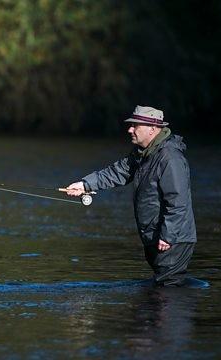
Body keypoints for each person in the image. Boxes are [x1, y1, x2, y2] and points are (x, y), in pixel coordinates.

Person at [65, 105, 197, 287]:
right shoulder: (143, 154)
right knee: (162, 293)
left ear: (153, 128)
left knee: (169, 293)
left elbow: (178, 202)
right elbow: (117, 172)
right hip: (155, 237)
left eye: (135, 125)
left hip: (172, 241)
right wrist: (85, 184)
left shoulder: (170, 158)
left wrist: (168, 236)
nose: (130, 129)